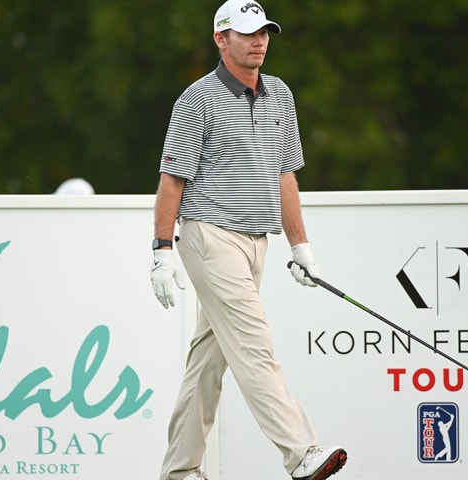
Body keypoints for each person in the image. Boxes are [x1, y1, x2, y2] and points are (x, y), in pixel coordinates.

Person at [148, 1, 347, 480]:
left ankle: (179, 471)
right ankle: (301, 453)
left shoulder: (280, 94)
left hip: (257, 241)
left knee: (208, 360)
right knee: (254, 344)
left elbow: (285, 177)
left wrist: (301, 247)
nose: (259, 41)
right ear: (222, 39)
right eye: (247, 33)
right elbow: (172, 180)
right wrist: (161, 251)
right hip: (209, 236)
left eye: (264, 32)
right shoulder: (198, 99)